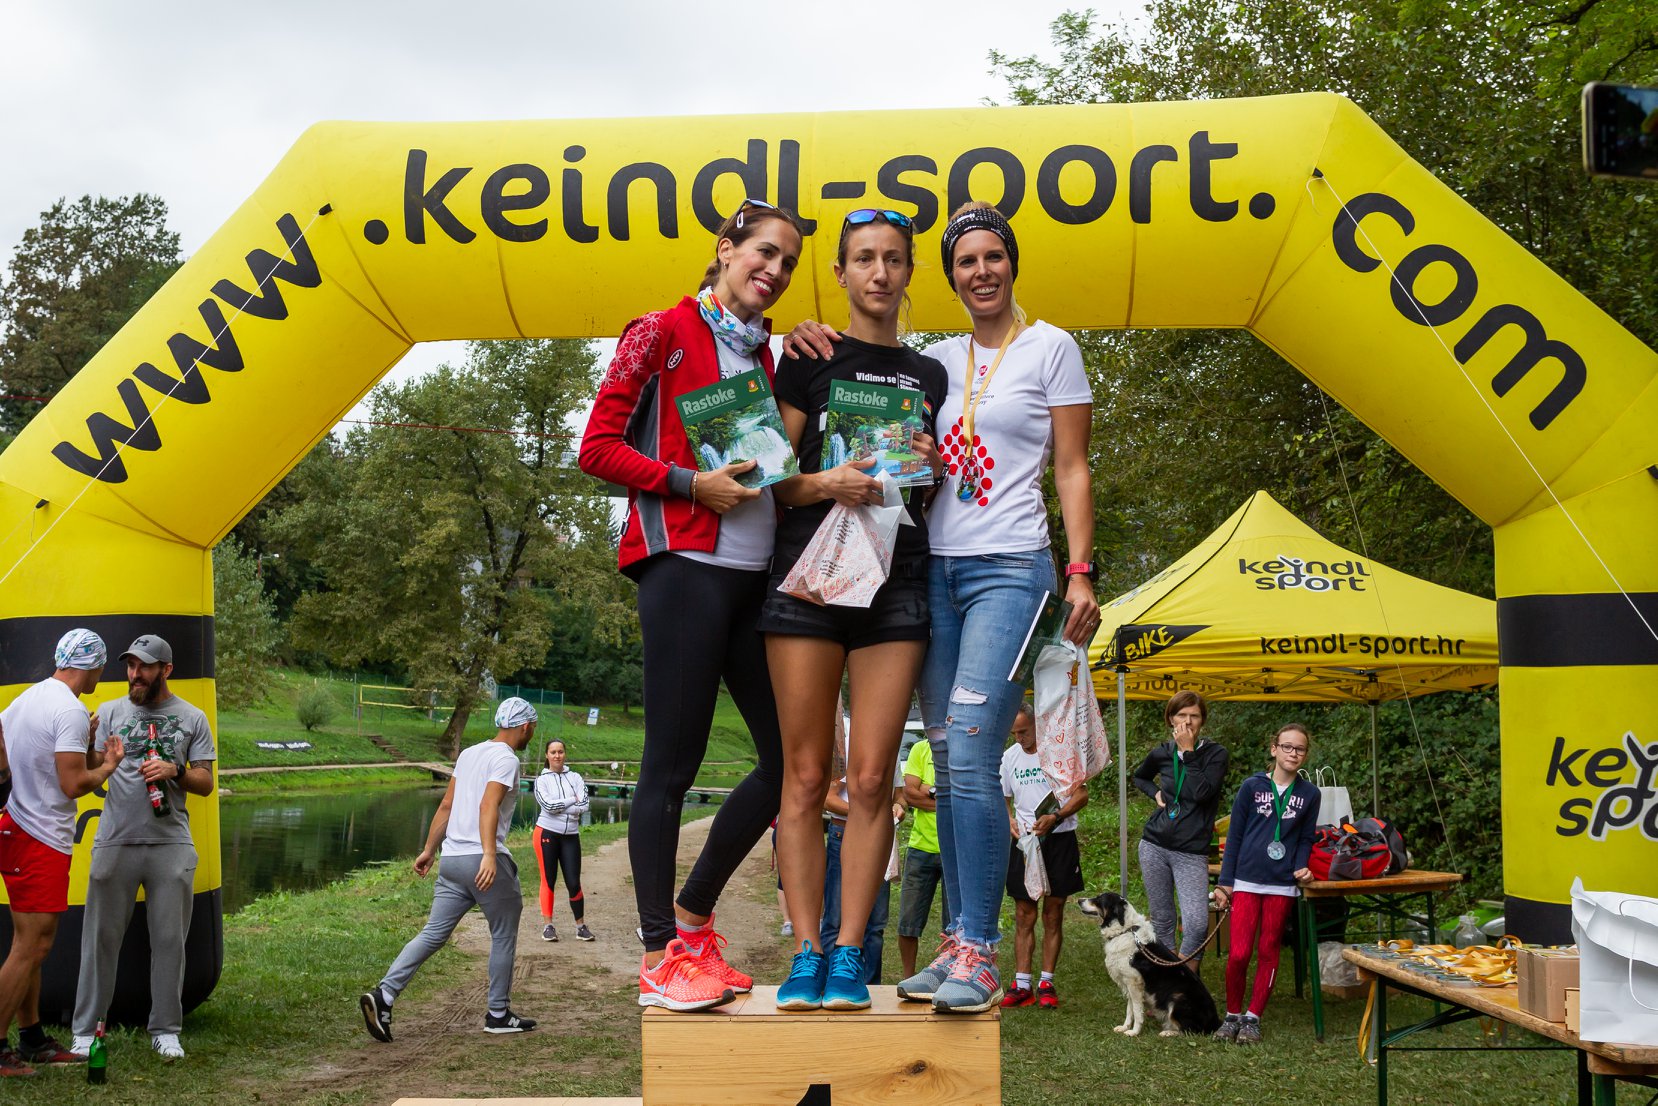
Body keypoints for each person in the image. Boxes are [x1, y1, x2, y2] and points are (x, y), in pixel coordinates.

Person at [578, 198, 801, 1012]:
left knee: (791, 765)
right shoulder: (660, 332)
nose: (774, 270)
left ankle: (693, 921)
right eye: (764, 252)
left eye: (788, 263)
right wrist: (687, 483)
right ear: (726, 247)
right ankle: (657, 957)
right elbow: (596, 448)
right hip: (684, 568)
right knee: (671, 767)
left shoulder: (769, 353)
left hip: (756, 581)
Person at [889, 200, 1099, 1013]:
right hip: (935, 569)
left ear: (1012, 262)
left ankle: (980, 952)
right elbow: (890, 422)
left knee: (976, 750)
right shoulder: (938, 360)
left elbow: (1072, 467)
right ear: (951, 277)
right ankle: (957, 944)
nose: (981, 271)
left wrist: (1079, 572)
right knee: (946, 760)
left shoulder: (1051, 347)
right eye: (965, 261)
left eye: (992, 256)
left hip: (1012, 569)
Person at [765, 209, 946, 1012]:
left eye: (894, 259)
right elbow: (771, 481)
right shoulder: (807, 355)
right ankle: (805, 949)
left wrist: (931, 469)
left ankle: (847, 954)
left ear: (908, 273)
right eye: (864, 258)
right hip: (808, 582)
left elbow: (932, 488)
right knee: (808, 776)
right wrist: (826, 482)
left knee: (872, 778)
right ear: (839, 272)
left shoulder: (930, 375)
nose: (879, 272)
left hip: (895, 584)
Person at [360, 698, 539, 1042]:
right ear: (525, 726)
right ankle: (498, 1014)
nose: (532, 732)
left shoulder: (469, 754)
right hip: (482, 859)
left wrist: (429, 849)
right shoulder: (507, 759)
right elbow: (488, 805)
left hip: (452, 859)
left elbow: (446, 804)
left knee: (432, 933)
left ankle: (384, 994)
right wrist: (489, 854)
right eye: (532, 727)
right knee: (503, 934)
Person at [71, 635, 215, 1062]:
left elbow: (205, 782)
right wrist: (89, 744)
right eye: (131, 665)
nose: (135, 674)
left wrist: (175, 770)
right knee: (100, 938)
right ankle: (86, 1030)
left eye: (145, 667)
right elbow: (92, 770)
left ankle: (166, 1030)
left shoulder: (193, 717)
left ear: (165, 670)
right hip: (115, 839)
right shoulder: (110, 712)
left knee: (170, 941)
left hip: (171, 841)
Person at [0, 629, 123, 1077]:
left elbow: (31, 758)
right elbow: (74, 784)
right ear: (94, 666)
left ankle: (32, 1038)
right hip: (39, 836)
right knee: (33, 945)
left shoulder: (28, 698)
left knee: (27, 942)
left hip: (17, 826)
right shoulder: (68, 708)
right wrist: (109, 765)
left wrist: (86, 745)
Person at [1212, 723, 1320, 1044]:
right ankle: (1232, 1015)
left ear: (1305, 755)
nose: (1293, 753)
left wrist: (1301, 866)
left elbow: (1306, 837)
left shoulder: (1310, 794)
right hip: (1246, 880)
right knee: (1239, 953)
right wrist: (1225, 882)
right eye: (1287, 747)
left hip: (1281, 884)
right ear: (1274, 749)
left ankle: (1253, 1018)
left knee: (1269, 951)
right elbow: (1235, 836)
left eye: (1299, 749)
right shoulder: (1252, 786)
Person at [813, 705, 909, 997]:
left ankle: (870, 985)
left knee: (876, 922)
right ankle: (830, 982)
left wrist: (898, 808)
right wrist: (866, 814)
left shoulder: (889, 744)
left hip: (880, 837)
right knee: (835, 918)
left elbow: (900, 795)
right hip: (844, 832)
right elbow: (828, 799)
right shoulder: (846, 739)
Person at [999, 703, 1087, 1009]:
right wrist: (1009, 819)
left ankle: (1046, 982)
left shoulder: (1059, 752)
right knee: (1024, 912)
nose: (1020, 738)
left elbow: (1081, 794)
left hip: (1059, 838)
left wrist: (1057, 817)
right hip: (1026, 842)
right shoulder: (1010, 757)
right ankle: (1022, 983)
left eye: (1024, 731)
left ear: (1038, 724)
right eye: (1015, 733)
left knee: (1053, 911)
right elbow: (1003, 797)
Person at [1131, 690, 1231, 961]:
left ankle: (1185, 979)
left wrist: (1188, 752)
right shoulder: (1162, 753)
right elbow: (1139, 777)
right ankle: (1169, 981)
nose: (1187, 722)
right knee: (1163, 920)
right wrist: (1155, 793)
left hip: (1191, 851)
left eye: (1194, 716)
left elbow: (1202, 793)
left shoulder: (1215, 754)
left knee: (1197, 924)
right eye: (1181, 715)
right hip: (1154, 845)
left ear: (1202, 721)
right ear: (1170, 719)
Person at [897, 734, 950, 978]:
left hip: (954, 850)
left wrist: (927, 791)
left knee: (954, 926)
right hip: (921, 848)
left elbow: (967, 795)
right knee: (908, 922)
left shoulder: (961, 750)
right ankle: (908, 977)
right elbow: (909, 794)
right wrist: (948, 800)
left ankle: (951, 976)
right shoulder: (920, 749)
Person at [533, 739, 593, 943]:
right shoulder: (541, 781)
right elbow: (548, 807)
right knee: (548, 880)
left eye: (560, 751)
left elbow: (585, 804)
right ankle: (548, 926)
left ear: (565, 754)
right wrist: (572, 800)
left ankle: (581, 927)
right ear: (547, 755)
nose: (557, 755)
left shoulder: (575, 777)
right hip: (547, 833)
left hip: (571, 836)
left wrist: (564, 806)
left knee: (574, 882)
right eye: (553, 752)